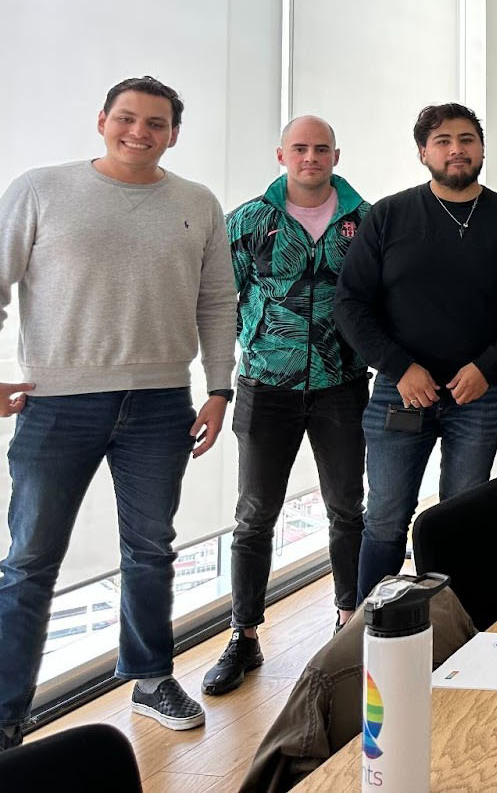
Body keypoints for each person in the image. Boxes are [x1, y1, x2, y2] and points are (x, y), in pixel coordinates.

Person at [0, 77, 235, 744]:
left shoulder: (197, 202)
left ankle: (151, 678)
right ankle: (6, 715)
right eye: (127, 118)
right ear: (102, 119)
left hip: (162, 403)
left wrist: (219, 388)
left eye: (156, 123)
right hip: (57, 404)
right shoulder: (40, 189)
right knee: (30, 561)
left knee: (151, 549)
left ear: (173, 134)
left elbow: (217, 300)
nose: (140, 132)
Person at [334, 103, 497, 601]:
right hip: (400, 394)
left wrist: (489, 368)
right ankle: (368, 627)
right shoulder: (388, 216)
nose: (457, 149)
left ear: (482, 148)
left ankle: (460, 627)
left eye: (467, 139)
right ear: (423, 153)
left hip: (480, 397)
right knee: (385, 517)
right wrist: (400, 368)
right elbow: (350, 304)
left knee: (462, 517)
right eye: (443, 141)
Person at [203, 116, 371, 697]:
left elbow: (381, 300)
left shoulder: (366, 221)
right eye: (300, 148)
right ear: (282, 155)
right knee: (254, 516)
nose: (310, 158)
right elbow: (219, 301)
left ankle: (349, 624)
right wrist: (224, 376)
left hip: (341, 384)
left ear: (336, 156)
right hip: (265, 387)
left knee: (347, 508)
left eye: (321, 149)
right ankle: (244, 635)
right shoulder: (249, 220)